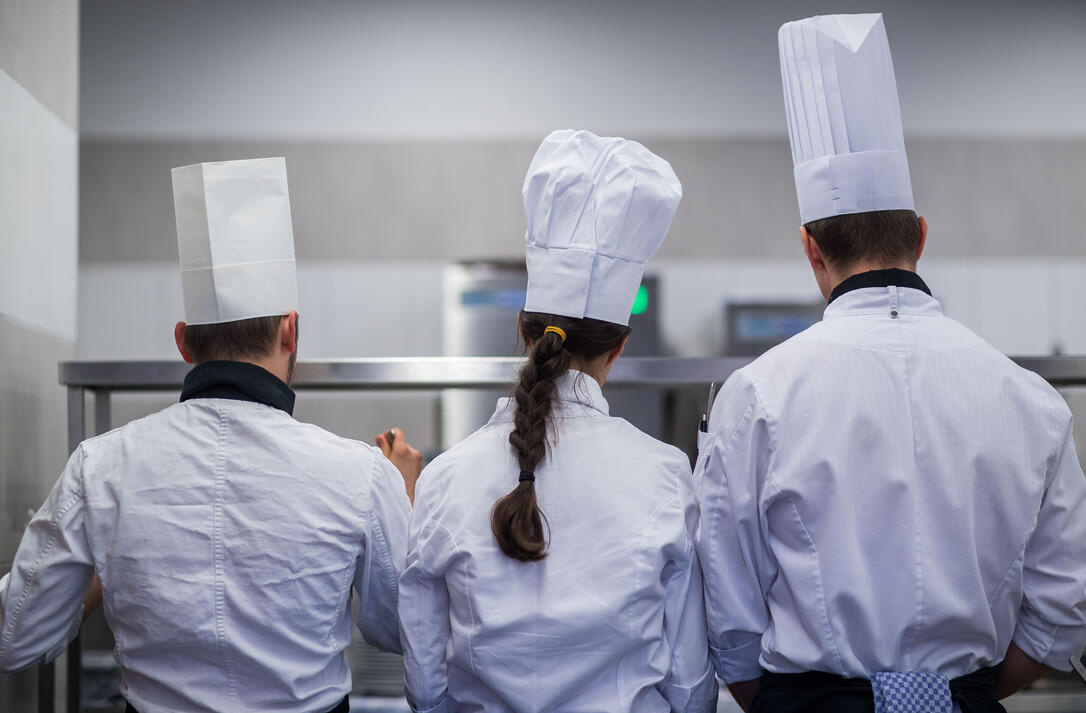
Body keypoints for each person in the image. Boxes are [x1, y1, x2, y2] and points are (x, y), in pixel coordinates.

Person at [695, 13, 1086, 713]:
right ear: (921, 236)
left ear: (812, 249)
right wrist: (950, 696)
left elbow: (728, 613)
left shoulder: (758, 394)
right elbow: (1064, 609)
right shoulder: (1032, 400)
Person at [0, 157, 422, 713]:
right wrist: (404, 496)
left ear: (183, 342)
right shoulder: (361, 474)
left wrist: (106, 551)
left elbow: (16, 638)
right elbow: (403, 632)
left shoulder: (100, 466)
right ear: (291, 331)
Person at [398, 130, 717, 713]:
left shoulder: (446, 480)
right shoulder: (666, 476)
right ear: (619, 347)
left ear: (521, 329)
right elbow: (691, 688)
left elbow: (424, 688)